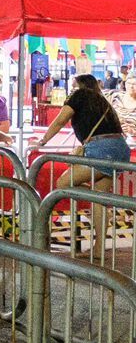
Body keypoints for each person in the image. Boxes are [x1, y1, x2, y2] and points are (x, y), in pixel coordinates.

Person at [38, 73, 131, 263]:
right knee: (98, 200)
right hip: (120, 148)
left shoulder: (79, 95)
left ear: (79, 85)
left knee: (63, 183)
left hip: (101, 149)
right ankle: (98, 249)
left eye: (73, 85)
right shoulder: (101, 101)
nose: (71, 88)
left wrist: (42, 141)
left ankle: (102, 200)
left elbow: (60, 120)